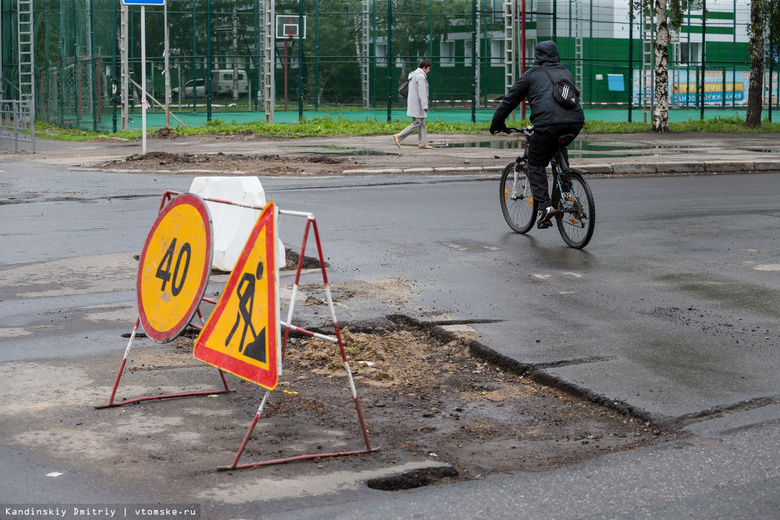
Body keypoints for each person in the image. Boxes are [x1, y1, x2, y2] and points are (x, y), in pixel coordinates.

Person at [490, 40, 585, 229]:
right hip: (575, 122)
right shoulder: (566, 72)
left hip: (547, 124)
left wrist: (497, 123)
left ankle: (545, 207)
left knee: (535, 163)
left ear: (538, 55)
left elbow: (510, 100)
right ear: (556, 54)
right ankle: (566, 189)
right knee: (558, 147)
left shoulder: (531, 75)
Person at [394, 60, 433, 149]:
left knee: (422, 123)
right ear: (424, 67)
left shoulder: (414, 75)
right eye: (428, 68)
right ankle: (399, 136)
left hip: (414, 103)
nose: (429, 70)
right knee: (417, 122)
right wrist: (425, 106)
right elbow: (422, 92)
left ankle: (422, 143)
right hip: (418, 104)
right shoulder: (420, 77)